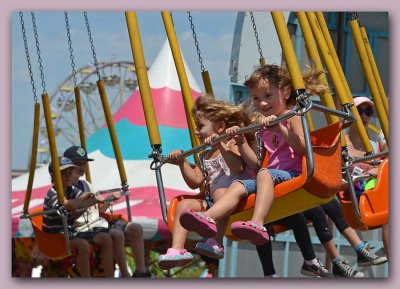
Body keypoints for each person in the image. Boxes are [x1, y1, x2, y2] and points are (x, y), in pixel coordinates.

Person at [179, 64, 333, 277]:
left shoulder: (291, 115)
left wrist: (279, 127)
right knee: (239, 185)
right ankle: (209, 218)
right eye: (255, 98)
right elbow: (255, 164)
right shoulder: (262, 126)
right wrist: (241, 142)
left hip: (294, 175)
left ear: (286, 92)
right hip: (270, 176)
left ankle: (258, 223)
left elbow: (303, 147)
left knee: (264, 175)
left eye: (268, 95)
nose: (262, 103)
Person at [157, 95, 254, 270]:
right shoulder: (205, 155)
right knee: (184, 204)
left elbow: (238, 167)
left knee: (220, 193)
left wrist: (221, 146)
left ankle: (216, 242)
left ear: (220, 127)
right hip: (212, 201)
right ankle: (178, 249)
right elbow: (195, 182)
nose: (196, 132)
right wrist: (182, 163)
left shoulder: (232, 142)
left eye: (200, 127)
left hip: (236, 196)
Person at [63, 145, 151, 277]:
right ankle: (122, 275)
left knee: (135, 228)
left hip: (96, 221)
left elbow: (99, 209)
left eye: (83, 164)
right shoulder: (65, 188)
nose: (81, 168)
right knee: (116, 235)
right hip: (83, 226)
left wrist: (108, 199)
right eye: (77, 164)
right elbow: (71, 210)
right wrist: (89, 201)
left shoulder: (86, 184)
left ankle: (141, 272)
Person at [43, 156, 114, 277]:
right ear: (54, 176)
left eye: (70, 173)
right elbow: (69, 205)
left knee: (106, 238)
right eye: (65, 174)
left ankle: (110, 276)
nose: (69, 176)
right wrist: (84, 197)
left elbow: (86, 202)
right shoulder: (52, 194)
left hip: (69, 233)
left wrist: (103, 199)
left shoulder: (71, 190)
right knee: (83, 244)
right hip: (54, 238)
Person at [344, 96, 389, 259]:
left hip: (373, 195)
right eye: (359, 111)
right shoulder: (342, 143)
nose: (364, 116)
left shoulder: (375, 145)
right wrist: (365, 174)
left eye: (368, 112)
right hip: (353, 198)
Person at [303, 198, 387, 277]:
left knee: (331, 203)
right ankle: (337, 263)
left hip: (303, 197)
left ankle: (360, 249)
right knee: (317, 211)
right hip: (294, 201)